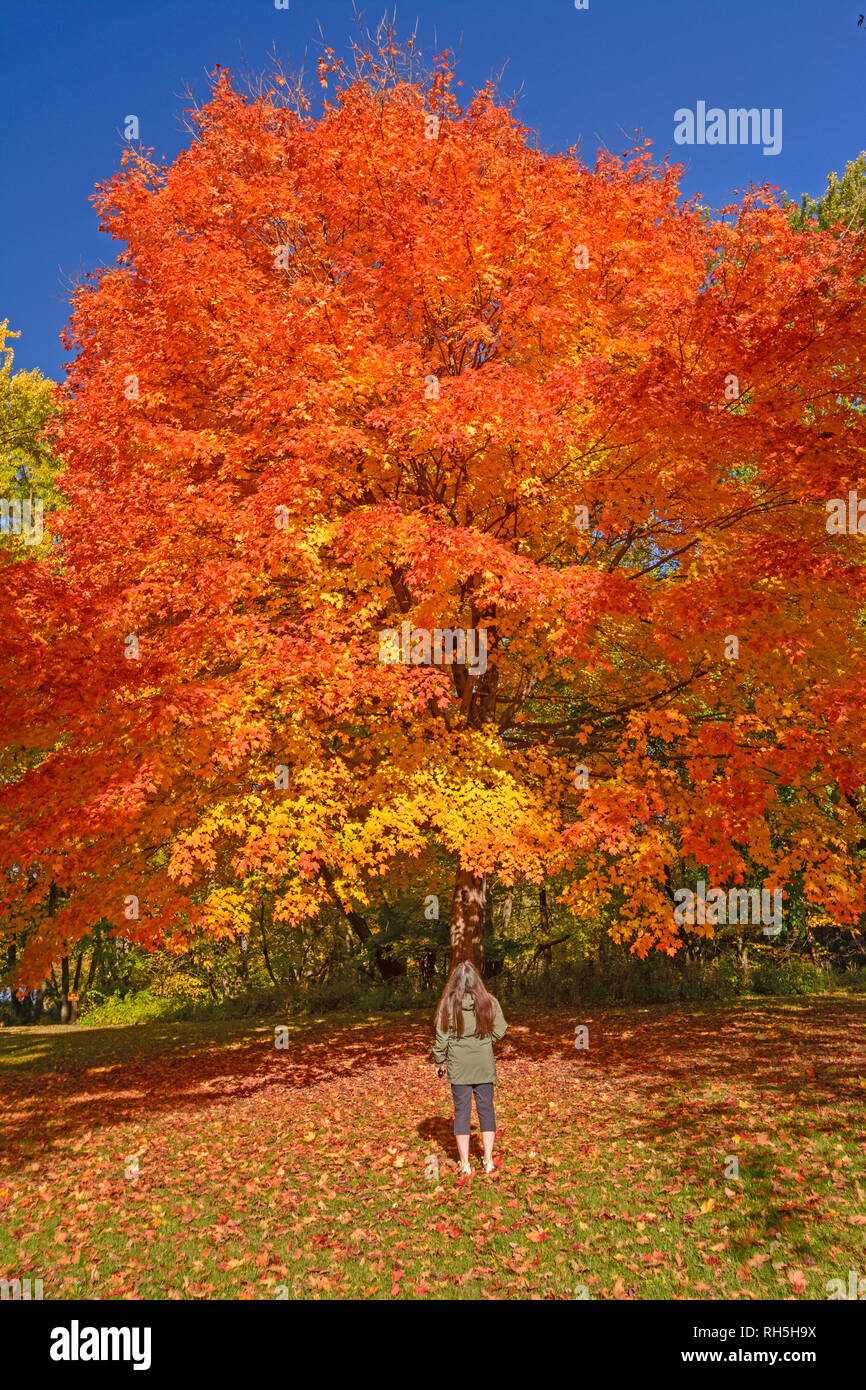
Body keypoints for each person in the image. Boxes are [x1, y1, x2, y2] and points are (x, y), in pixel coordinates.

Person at [433, 960, 507, 1178]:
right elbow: (501, 1029)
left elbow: (441, 1037)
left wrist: (439, 1062)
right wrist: (486, 1041)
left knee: (462, 1113)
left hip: (459, 1066)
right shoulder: (489, 1001)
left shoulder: (448, 1004)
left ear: (455, 981)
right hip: (483, 1064)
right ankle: (488, 1160)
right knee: (486, 1110)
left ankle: (465, 1163)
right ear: (477, 981)